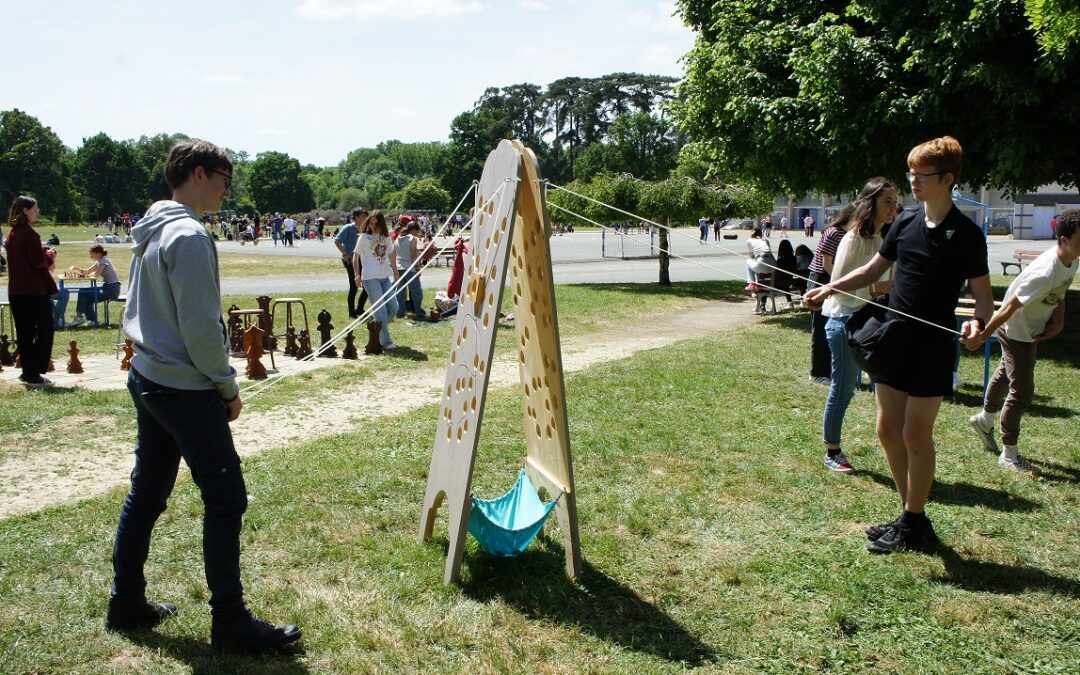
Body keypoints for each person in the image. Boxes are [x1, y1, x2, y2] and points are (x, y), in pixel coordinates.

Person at [108, 139, 301, 651]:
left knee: (146, 492)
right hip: (182, 386)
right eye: (222, 179)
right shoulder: (188, 235)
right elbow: (200, 328)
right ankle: (231, 622)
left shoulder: (152, 227)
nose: (225, 191)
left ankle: (125, 599)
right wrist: (227, 385)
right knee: (225, 499)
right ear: (197, 174)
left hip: (149, 377)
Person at [805, 136, 993, 554]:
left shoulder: (965, 235)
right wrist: (830, 287)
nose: (913, 181)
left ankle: (912, 519)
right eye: (911, 173)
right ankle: (911, 514)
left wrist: (979, 325)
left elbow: (982, 295)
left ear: (947, 179)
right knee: (887, 427)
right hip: (893, 338)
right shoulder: (904, 224)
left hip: (932, 346)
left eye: (921, 175)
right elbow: (875, 267)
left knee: (914, 432)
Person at [968, 209, 1079, 475]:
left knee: (1006, 374)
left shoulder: (1071, 260)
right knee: (1022, 390)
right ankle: (1009, 455)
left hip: (1031, 327)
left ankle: (985, 420)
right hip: (1016, 329)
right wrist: (983, 336)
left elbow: (1060, 292)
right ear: (1063, 240)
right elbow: (1007, 308)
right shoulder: (1044, 272)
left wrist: (1058, 322)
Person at [812, 178, 898, 472]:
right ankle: (832, 451)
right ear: (871, 202)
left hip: (872, 322)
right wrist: (885, 287)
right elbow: (841, 287)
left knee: (888, 388)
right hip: (843, 320)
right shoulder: (853, 239)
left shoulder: (884, 239)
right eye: (887, 201)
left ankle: (895, 444)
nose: (893, 207)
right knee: (844, 388)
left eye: (895, 201)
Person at [6, 195, 57, 386]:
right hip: (34, 291)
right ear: (26, 211)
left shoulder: (12, 233)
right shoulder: (28, 233)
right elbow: (37, 262)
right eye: (35, 209)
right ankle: (33, 370)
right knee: (45, 331)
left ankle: (28, 372)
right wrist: (49, 256)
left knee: (25, 333)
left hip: (17, 291)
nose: (37, 212)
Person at [805, 206, 852, 384]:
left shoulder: (848, 235)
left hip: (833, 281)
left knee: (832, 326)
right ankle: (818, 372)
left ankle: (830, 371)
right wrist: (838, 284)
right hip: (822, 279)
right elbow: (827, 263)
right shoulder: (834, 233)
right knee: (820, 327)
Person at [353, 210, 399, 350]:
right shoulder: (364, 238)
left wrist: (396, 273)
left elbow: (391, 255)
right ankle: (386, 341)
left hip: (385, 276)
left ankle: (377, 327)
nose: (373, 226)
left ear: (381, 223)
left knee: (393, 307)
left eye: (375, 223)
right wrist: (357, 274)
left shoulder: (386, 237)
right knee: (381, 310)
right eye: (370, 223)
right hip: (370, 277)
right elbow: (356, 256)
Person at [68, 244, 122, 327]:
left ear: (99, 254)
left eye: (91, 254)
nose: (90, 256)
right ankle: (92, 320)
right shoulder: (99, 262)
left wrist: (85, 275)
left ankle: (79, 318)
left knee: (84, 293)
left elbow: (96, 275)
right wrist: (76, 269)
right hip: (107, 287)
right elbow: (87, 272)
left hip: (112, 289)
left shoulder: (103, 262)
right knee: (86, 294)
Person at [334, 209, 368, 318]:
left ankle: (360, 308)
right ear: (356, 216)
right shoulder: (348, 228)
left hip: (363, 260)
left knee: (368, 285)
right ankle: (352, 312)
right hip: (350, 261)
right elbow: (337, 240)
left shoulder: (366, 229)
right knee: (354, 287)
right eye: (363, 216)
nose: (365, 218)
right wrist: (345, 253)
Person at [395, 221, 426, 321]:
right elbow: (413, 256)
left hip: (399, 268)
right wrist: (418, 268)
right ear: (413, 230)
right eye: (417, 231)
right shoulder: (413, 239)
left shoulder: (398, 238)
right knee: (417, 292)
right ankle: (419, 312)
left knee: (400, 292)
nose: (418, 234)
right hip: (410, 268)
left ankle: (400, 312)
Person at [773, 238, 799, 310]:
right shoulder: (794, 258)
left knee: (766, 283)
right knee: (785, 285)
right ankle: (789, 302)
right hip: (789, 280)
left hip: (779, 281)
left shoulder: (780, 260)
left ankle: (762, 304)